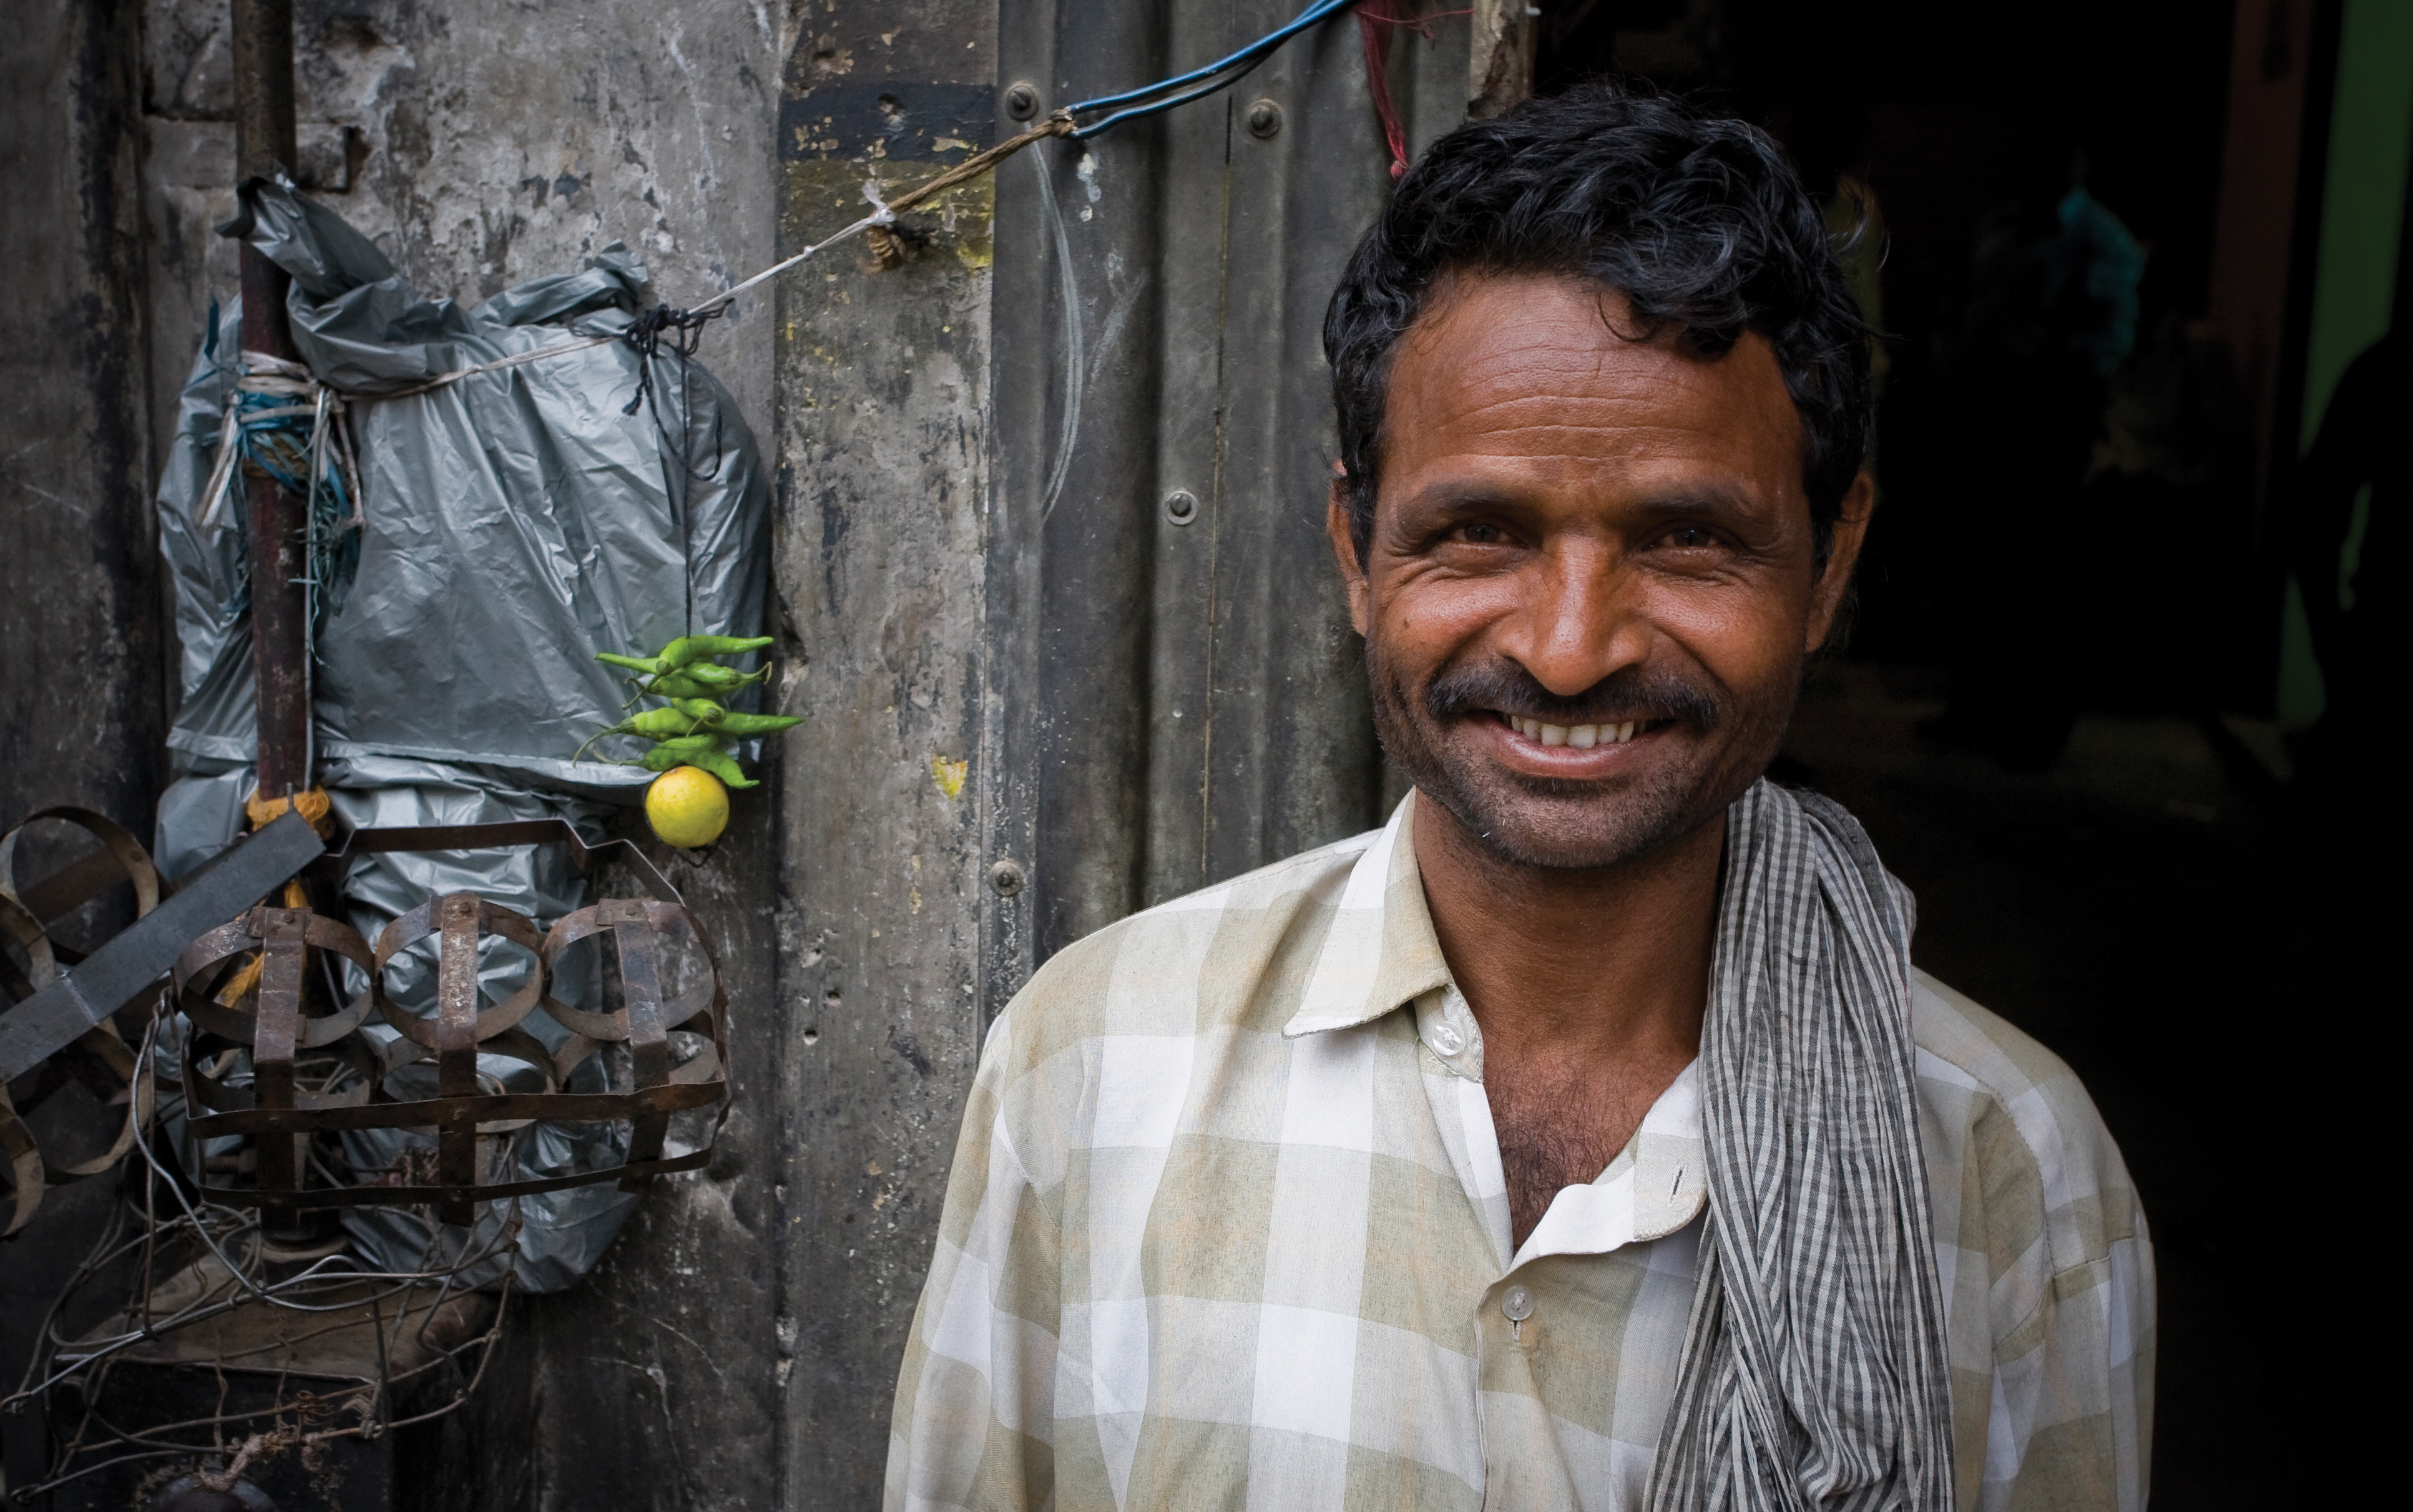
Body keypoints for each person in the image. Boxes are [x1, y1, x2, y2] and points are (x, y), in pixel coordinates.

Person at [886, 84, 2151, 1511]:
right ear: (1358, 552)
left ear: (1832, 559)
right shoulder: (1091, 1063)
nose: (1569, 647)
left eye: (1688, 539)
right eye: (1478, 533)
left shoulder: (2008, 1168)